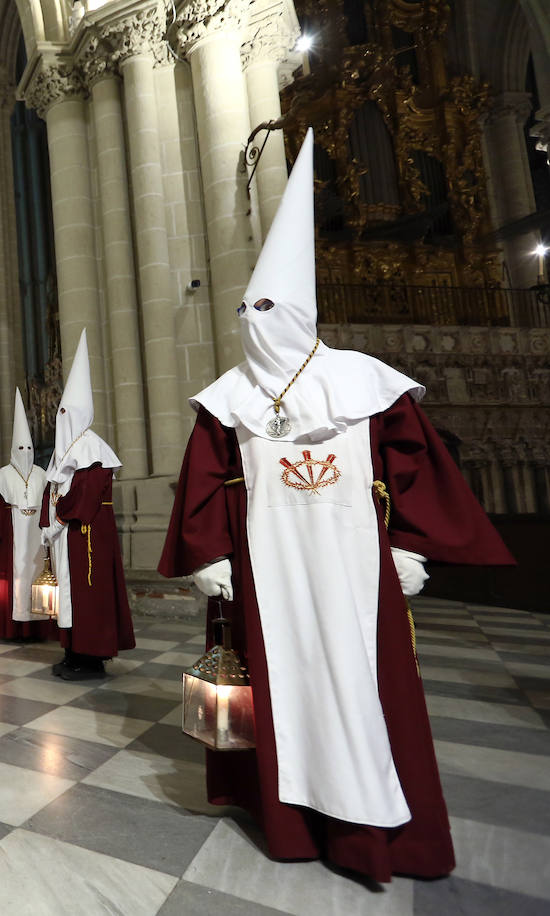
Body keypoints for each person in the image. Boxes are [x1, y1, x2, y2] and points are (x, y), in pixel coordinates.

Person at [157, 130, 514, 883]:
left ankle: (384, 837)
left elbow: (414, 466)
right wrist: (210, 558)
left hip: (357, 567)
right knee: (280, 692)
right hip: (269, 573)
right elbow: (205, 479)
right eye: (244, 307)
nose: (251, 319)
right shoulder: (228, 399)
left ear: (296, 310)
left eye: (265, 306)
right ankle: (292, 828)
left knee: (368, 693)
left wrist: (411, 546)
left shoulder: (363, 382)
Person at [40, 330, 134, 679]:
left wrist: (59, 520)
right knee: (69, 595)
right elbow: (52, 490)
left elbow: (86, 494)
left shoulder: (92, 449)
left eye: (66, 411)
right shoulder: (66, 452)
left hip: (87, 535)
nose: (60, 417)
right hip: (69, 535)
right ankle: (72, 651)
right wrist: (47, 525)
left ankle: (91, 658)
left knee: (88, 596)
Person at [0, 389, 55, 642]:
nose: (25, 451)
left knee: (38, 576)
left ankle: (39, 627)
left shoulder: (41, 473)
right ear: (13, 449)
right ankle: (14, 628)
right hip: (14, 535)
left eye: (29, 447)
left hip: (37, 532)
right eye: (20, 447)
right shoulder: (3, 474)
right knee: (15, 579)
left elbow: (48, 503)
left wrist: (49, 527)